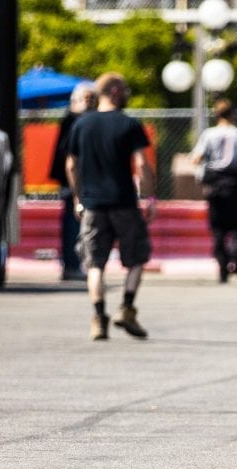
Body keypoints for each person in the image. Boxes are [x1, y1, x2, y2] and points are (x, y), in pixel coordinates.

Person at [66, 72, 157, 341]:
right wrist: (150, 198)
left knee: (95, 264)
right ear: (116, 91)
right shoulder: (129, 124)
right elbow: (141, 164)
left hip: (93, 205)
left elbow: (71, 165)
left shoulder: (81, 125)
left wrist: (78, 199)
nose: (128, 93)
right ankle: (126, 309)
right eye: (126, 88)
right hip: (124, 203)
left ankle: (98, 318)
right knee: (137, 258)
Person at [191, 98, 237, 283]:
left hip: (215, 182)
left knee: (217, 226)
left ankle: (222, 262)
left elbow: (197, 158)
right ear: (232, 114)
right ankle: (236, 252)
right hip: (233, 181)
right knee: (235, 223)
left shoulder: (209, 134)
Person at [49, 81, 98, 281]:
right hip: (73, 182)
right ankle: (71, 264)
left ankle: (78, 262)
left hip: (85, 180)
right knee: (72, 223)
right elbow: (68, 158)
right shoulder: (72, 120)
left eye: (92, 98)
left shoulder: (84, 120)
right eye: (86, 98)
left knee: (83, 225)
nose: (90, 102)